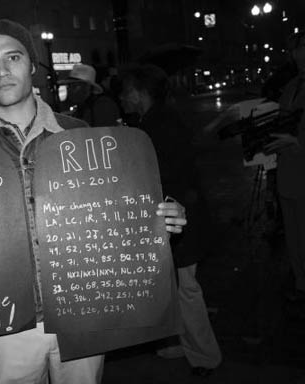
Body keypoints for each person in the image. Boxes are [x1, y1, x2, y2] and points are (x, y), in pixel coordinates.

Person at [0, 19, 187, 384]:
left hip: (84, 311)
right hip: (5, 324)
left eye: (13, 57)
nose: (2, 70)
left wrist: (159, 218)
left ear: (32, 66)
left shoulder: (80, 134)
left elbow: (118, 214)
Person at [120, 64, 222, 376]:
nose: (122, 98)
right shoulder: (157, 119)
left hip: (180, 221)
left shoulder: (157, 126)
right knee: (178, 289)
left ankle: (205, 356)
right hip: (179, 218)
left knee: (185, 290)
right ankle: (188, 343)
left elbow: (163, 175)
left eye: (125, 92)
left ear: (138, 94)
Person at [264, 27, 305, 315]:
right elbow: (284, 125)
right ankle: (303, 285)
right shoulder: (290, 86)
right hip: (288, 175)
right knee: (294, 240)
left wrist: (299, 142)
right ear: (294, 52)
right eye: (303, 48)